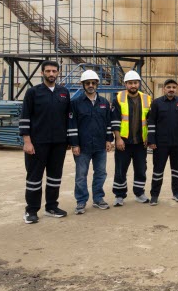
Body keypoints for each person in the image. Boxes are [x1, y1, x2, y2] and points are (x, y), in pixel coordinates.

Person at [19, 60, 71, 224]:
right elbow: (25, 117)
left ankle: (51, 207)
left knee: (55, 177)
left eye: (54, 71)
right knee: (34, 178)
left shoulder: (64, 93)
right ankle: (31, 210)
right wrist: (27, 141)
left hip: (58, 143)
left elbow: (67, 118)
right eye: (48, 71)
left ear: (58, 73)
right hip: (37, 143)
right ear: (42, 73)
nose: (51, 74)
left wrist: (68, 140)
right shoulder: (33, 92)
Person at [68, 70, 113, 214]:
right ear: (83, 85)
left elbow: (108, 123)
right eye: (87, 83)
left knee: (100, 173)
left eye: (93, 83)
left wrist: (109, 140)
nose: (91, 85)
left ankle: (98, 199)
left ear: (97, 84)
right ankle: (81, 201)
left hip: (100, 145)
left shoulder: (104, 103)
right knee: (81, 175)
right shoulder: (75, 103)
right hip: (83, 146)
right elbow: (72, 124)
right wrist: (74, 144)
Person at [111, 70, 152, 206]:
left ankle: (139, 193)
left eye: (135, 83)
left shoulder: (147, 99)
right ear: (125, 84)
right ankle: (119, 195)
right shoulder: (118, 98)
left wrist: (147, 137)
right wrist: (118, 139)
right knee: (120, 169)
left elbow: (149, 120)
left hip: (140, 142)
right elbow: (115, 120)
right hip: (124, 141)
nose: (133, 85)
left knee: (141, 169)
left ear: (139, 84)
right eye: (130, 83)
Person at [147, 78, 178, 206]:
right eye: (169, 87)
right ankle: (154, 195)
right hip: (160, 143)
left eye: (173, 87)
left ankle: (177, 193)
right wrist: (151, 140)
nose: (171, 89)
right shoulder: (156, 103)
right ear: (164, 89)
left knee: (177, 170)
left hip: (177, 143)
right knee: (158, 170)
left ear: (177, 89)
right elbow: (151, 122)